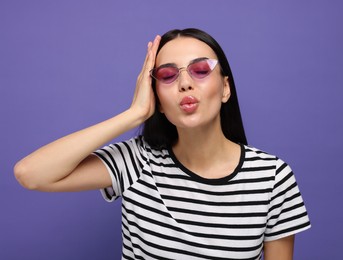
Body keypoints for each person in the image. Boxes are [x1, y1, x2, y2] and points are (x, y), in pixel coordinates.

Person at [14, 28, 311, 259]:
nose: (185, 83)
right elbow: (30, 173)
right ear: (157, 99)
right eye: (168, 75)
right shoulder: (138, 161)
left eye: (201, 69)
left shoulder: (272, 177)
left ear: (225, 87)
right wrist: (133, 114)